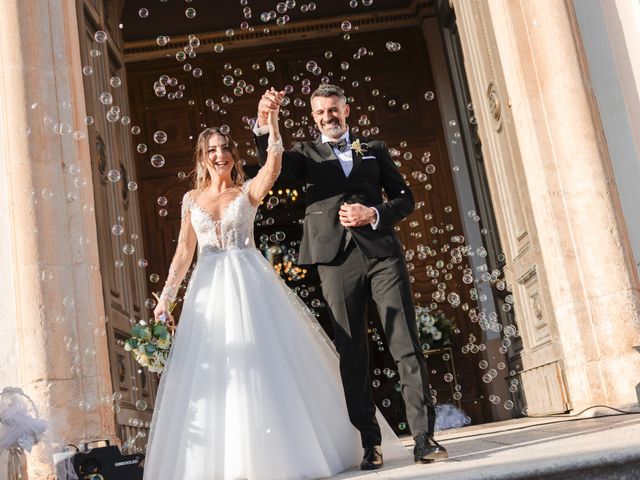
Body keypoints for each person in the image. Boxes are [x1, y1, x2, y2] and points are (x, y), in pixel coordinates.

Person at [144, 110, 406, 480]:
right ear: (202, 158)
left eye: (225, 149)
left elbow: (273, 164)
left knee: (264, 363)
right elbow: (184, 252)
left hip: (249, 285)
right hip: (208, 292)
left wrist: (272, 123)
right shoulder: (190, 200)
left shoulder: (247, 191)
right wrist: (166, 299)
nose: (220, 156)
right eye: (212, 150)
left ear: (232, 155)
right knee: (219, 370)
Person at [254, 84, 448, 469]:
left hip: (381, 257)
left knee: (404, 343)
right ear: (313, 118)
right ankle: (369, 444)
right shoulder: (305, 156)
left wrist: (373, 214)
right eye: (321, 112)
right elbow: (271, 163)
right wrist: (265, 122)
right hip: (334, 261)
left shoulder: (374, 149)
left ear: (346, 110)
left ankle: (424, 439)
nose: (329, 116)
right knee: (352, 353)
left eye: (334, 109)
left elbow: (405, 198)